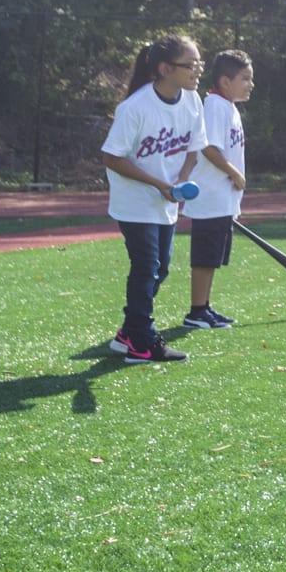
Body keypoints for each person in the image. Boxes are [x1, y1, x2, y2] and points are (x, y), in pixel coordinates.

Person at [100, 35, 207, 364]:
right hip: (135, 201)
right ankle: (142, 341)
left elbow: (194, 148)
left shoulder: (192, 100)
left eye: (199, 64)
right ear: (164, 69)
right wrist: (158, 183)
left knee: (160, 270)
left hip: (166, 200)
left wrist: (180, 180)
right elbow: (112, 157)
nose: (197, 71)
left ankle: (128, 333)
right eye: (190, 65)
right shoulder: (135, 107)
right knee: (146, 268)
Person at [179, 49, 253, 329]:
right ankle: (196, 311)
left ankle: (205, 307)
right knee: (204, 257)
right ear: (225, 81)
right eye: (245, 78)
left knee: (213, 258)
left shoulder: (228, 107)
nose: (250, 84)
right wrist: (233, 172)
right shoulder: (213, 106)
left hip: (224, 199)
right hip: (209, 195)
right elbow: (208, 146)